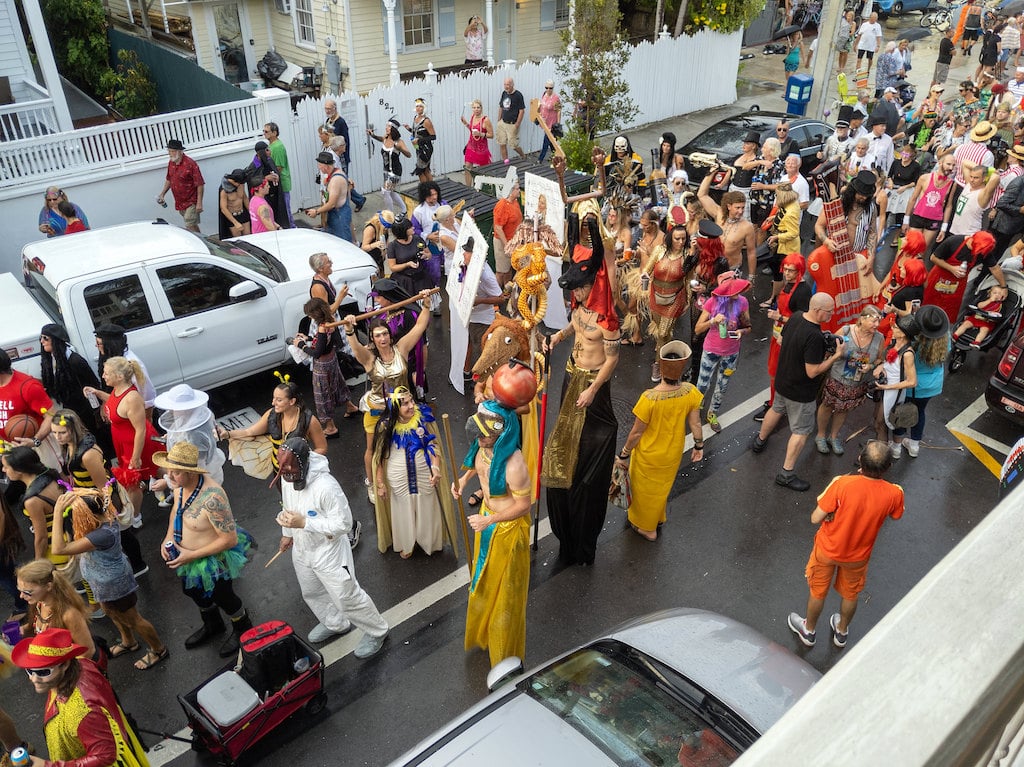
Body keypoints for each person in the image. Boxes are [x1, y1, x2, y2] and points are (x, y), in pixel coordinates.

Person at [541, 215, 619, 566]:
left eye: (578, 287)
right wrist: (556, 338)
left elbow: (612, 361)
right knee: (561, 451)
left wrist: (592, 390)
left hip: (591, 388)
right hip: (571, 379)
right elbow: (575, 327)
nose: (573, 293)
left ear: (592, 285)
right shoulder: (581, 307)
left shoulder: (607, 318)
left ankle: (585, 530)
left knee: (590, 452)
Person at [275, 438, 389, 655]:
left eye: (290, 469)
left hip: (329, 552)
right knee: (312, 591)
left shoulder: (326, 486)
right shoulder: (287, 480)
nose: (287, 476)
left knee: (346, 596)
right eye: (283, 471)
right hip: (302, 548)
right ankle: (335, 622)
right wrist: (287, 533)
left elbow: (344, 523)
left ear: (303, 463)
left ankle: (377, 631)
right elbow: (289, 507)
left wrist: (305, 523)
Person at [786, 440, 904, 649]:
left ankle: (809, 630)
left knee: (818, 592)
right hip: (858, 557)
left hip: (828, 550)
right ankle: (841, 631)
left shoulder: (841, 484)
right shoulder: (895, 493)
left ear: (860, 460)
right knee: (851, 594)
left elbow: (815, 518)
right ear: (888, 468)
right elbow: (896, 516)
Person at [50, 489, 168, 670]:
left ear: (86, 515)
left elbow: (58, 549)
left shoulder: (101, 534)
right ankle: (129, 642)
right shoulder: (102, 516)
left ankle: (158, 649)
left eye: (75, 514)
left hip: (114, 584)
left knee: (133, 619)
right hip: (101, 583)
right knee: (111, 611)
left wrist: (58, 513)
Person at [453, 400, 531, 667]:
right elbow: (479, 467)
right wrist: (463, 481)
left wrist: (490, 521)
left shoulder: (514, 464)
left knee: (505, 598)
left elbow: (523, 505)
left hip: (507, 532)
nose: (480, 437)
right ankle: (485, 634)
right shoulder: (484, 446)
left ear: (501, 433)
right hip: (486, 521)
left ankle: (504, 654)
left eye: (485, 433)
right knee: (483, 583)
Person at [156, 442, 252, 657]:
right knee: (192, 590)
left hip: (213, 558)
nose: (170, 476)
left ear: (191, 472)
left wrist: (191, 554)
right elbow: (175, 512)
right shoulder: (179, 486)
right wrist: (168, 537)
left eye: (176, 472)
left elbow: (229, 539)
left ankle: (243, 627)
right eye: (168, 470)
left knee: (224, 596)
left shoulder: (212, 498)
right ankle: (213, 624)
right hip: (187, 556)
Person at [11, 628, 148, 767]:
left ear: (64, 664)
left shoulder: (84, 711)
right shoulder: (79, 664)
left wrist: (49, 766)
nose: (34, 679)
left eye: (43, 671)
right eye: (29, 670)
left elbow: (106, 755)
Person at [341, 293, 432, 503]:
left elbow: (419, 327)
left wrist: (425, 305)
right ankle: (371, 483)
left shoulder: (401, 348)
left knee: (413, 443)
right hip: (378, 410)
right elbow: (354, 348)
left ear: (390, 335)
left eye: (384, 334)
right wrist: (349, 329)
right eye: (377, 335)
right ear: (372, 338)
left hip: (404, 409)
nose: (382, 339)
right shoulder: (368, 357)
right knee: (374, 449)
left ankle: (416, 476)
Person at [752, 293, 847, 492]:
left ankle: (760, 441)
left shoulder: (796, 317)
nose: (831, 315)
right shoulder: (814, 336)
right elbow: (812, 371)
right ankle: (786, 474)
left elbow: (782, 340)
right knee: (801, 432)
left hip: (783, 380)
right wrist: (836, 356)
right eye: (829, 311)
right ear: (818, 310)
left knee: (775, 410)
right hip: (801, 392)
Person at [616, 341, 703, 541]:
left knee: (645, 492)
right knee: (661, 489)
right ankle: (657, 518)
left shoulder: (649, 398)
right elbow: (696, 424)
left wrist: (624, 453)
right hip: (672, 453)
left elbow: (636, 433)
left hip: (649, 455)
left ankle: (647, 528)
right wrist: (699, 445)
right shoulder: (690, 392)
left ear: (661, 368)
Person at [52, 408, 147, 576]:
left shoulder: (88, 455)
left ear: (73, 429)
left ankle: (138, 565)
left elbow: (103, 487)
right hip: (88, 497)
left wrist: (106, 512)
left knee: (121, 532)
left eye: (62, 432)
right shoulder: (69, 445)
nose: (57, 437)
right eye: (54, 433)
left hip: (104, 498)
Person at [372, 387, 455, 558]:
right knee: (403, 507)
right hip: (399, 477)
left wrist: (436, 468)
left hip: (425, 474)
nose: (411, 406)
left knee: (426, 504)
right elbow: (379, 458)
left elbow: (433, 447)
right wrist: (380, 484)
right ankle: (407, 542)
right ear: (395, 408)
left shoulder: (423, 420)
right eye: (405, 404)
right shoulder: (385, 426)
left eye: (411, 401)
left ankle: (429, 541)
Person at [83, 357, 160, 517]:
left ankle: (135, 516)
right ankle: (179, 484)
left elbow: (140, 430)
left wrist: (136, 457)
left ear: (119, 376)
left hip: (137, 445)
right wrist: (97, 393)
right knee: (157, 469)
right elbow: (113, 401)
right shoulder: (118, 390)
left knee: (132, 484)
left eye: (106, 373)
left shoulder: (132, 399)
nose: (103, 376)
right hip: (125, 444)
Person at [218, 379, 329, 485]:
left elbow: (322, 448)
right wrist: (227, 434)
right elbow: (249, 432)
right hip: (278, 473)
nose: (273, 403)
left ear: (292, 401)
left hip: (300, 473)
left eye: (279, 400)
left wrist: (301, 460)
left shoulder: (309, 421)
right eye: (274, 398)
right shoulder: (271, 415)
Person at [815, 306, 885, 456]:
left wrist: (871, 366)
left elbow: (880, 358)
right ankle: (820, 435)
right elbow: (829, 349)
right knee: (827, 405)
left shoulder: (879, 338)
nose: (877, 325)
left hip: (857, 383)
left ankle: (833, 437)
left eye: (879, 321)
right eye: (874, 321)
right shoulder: (845, 331)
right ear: (862, 319)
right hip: (836, 378)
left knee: (844, 409)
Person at [38, 323, 108, 457]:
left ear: (56, 339)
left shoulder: (75, 361)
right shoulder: (52, 360)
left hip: (86, 411)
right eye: (41, 338)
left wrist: (99, 409)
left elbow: (93, 385)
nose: (42, 342)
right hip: (71, 410)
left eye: (45, 338)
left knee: (95, 443)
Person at [292, 298, 358, 438]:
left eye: (310, 314)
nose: (309, 317)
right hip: (332, 359)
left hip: (322, 366)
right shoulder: (331, 321)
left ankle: (330, 427)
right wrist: (308, 338)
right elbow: (325, 342)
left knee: (322, 395)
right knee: (338, 385)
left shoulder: (322, 327)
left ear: (315, 314)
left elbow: (316, 352)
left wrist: (301, 345)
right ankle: (350, 406)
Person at [16, 559, 101, 668]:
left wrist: (62, 674)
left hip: (72, 672)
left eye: (27, 592)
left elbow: (88, 651)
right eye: (20, 590)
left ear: (48, 586)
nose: (21, 596)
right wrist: (25, 629)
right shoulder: (38, 603)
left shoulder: (69, 614)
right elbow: (39, 627)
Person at [694, 273, 752, 433]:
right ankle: (696, 411)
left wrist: (741, 331)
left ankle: (712, 413)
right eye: (732, 290)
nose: (737, 293)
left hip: (731, 352)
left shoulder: (742, 302)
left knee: (722, 385)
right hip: (711, 350)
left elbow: (748, 326)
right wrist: (712, 320)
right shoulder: (711, 303)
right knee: (702, 384)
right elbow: (698, 329)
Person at [757, 254, 812, 421]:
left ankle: (776, 406)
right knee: (774, 371)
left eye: (791, 271)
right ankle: (775, 402)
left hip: (787, 339)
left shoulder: (802, 292)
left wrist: (778, 317)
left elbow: (803, 320)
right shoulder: (789, 284)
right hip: (778, 336)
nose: (787, 274)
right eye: (785, 269)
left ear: (799, 271)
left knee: (777, 373)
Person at [449, 237, 502, 392]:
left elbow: (500, 298)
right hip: (467, 315)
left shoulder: (486, 274)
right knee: (466, 344)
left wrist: (479, 301)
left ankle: (484, 381)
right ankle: (465, 373)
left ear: (475, 255)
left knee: (482, 350)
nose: (464, 253)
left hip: (481, 320)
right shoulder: (466, 265)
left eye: (467, 251)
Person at [899, 305, 950, 456]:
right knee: (919, 412)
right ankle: (914, 446)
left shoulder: (913, 341)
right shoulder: (945, 339)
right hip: (931, 385)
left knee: (902, 412)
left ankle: (895, 445)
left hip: (910, 384)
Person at [2, 448, 66, 563]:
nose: (3, 470)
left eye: (6, 467)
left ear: (19, 470)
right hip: (70, 537)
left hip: (57, 550)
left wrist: (39, 562)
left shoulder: (32, 501)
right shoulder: (51, 476)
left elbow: (41, 538)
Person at [924, 230, 1001, 323]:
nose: (979, 253)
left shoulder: (983, 249)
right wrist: (952, 268)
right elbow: (933, 258)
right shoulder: (954, 241)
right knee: (928, 305)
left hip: (957, 285)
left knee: (948, 311)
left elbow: (995, 268)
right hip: (938, 278)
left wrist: (1003, 286)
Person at [154, 385, 226, 484]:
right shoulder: (195, 415)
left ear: (184, 408)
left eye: (174, 407)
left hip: (203, 480)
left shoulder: (196, 435)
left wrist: (167, 482)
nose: (171, 410)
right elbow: (180, 430)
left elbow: (192, 470)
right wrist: (172, 437)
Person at [873, 315, 918, 456]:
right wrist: (881, 368)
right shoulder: (894, 343)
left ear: (904, 333)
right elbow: (890, 364)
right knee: (878, 420)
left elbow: (912, 381)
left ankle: (879, 456)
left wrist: (886, 388)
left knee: (881, 422)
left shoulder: (908, 353)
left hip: (892, 392)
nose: (892, 328)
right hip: (885, 388)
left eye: (896, 328)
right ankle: (880, 452)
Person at [697, 174, 758, 278]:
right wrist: (711, 173)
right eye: (737, 207)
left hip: (731, 270)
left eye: (743, 208)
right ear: (729, 206)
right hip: (712, 265)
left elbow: (751, 252)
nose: (741, 211)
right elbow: (702, 195)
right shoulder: (718, 214)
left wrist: (751, 277)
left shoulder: (747, 227)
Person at [903, 153, 956, 253]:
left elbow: (949, 206)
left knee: (922, 251)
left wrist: (943, 229)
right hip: (919, 216)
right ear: (940, 163)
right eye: (948, 164)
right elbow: (913, 198)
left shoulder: (952, 184)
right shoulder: (925, 178)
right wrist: (906, 220)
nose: (951, 168)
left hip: (934, 220)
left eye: (953, 165)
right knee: (910, 248)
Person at [0, 349, 53, 449]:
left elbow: (51, 415)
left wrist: (36, 440)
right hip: (8, 447)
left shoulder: (28, 386)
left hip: (37, 446)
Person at [157, 138, 204, 233]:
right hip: (180, 201)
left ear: (180, 152)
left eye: (173, 151)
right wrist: (162, 194)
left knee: (189, 223)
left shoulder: (190, 164)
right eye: (169, 151)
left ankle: (198, 241)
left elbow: (200, 184)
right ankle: (202, 239)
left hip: (191, 200)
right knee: (192, 225)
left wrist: (199, 203)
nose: (170, 154)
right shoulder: (171, 163)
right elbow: (169, 179)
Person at [367, 118, 411, 215]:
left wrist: (400, 149)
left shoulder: (399, 142)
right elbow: (381, 139)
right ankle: (404, 210)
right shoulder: (386, 137)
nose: (386, 128)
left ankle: (389, 214)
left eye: (389, 126)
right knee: (391, 192)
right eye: (386, 126)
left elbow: (409, 155)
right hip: (386, 170)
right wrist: (372, 135)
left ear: (394, 129)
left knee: (385, 191)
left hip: (395, 171)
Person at [305, 152, 351, 242]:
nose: (318, 167)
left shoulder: (335, 180)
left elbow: (332, 204)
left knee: (343, 244)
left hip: (339, 217)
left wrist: (316, 211)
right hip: (336, 215)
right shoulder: (336, 173)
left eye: (319, 165)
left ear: (326, 166)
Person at [387, 217, 433, 299]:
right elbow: (393, 267)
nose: (413, 228)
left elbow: (429, 254)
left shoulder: (417, 239)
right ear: (403, 231)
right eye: (410, 227)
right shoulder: (392, 246)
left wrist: (425, 256)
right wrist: (407, 264)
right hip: (404, 281)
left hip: (421, 277)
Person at [492, 176, 523, 289]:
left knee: (509, 268)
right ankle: (496, 294)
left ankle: (507, 289)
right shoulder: (502, 206)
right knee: (501, 271)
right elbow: (498, 228)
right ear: (511, 191)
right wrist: (507, 245)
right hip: (503, 243)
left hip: (514, 241)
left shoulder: (515, 202)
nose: (519, 191)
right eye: (517, 189)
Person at [262, 122, 293, 228]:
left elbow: (278, 167)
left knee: (285, 209)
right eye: (263, 131)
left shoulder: (278, 147)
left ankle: (291, 228)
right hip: (277, 183)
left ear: (274, 133)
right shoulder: (271, 145)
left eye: (266, 131)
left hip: (282, 182)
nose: (264, 133)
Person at [461, 99, 493, 184]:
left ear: (481, 108)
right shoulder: (473, 117)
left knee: (483, 170)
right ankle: (468, 187)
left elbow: (491, 135)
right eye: (474, 108)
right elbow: (472, 131)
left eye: (478, 107)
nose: (476, 109)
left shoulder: (485, 120)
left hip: (481, 148)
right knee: (468, 167)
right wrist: (466, 124)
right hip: (471, 146)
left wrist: (480, 134)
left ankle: (483, 187)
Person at [403, 99, 436, 183]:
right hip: (418, 148)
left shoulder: (426, 121)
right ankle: (431, 188)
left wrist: (419, 140)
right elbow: (417, 132)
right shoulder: (415, 118)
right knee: (425, 170)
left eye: (420, 106)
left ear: (424, 108)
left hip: (426, 149)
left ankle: (425, 189)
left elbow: (433, 136)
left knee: (420, 171)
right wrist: (409, 129)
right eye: (417, 106)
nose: (418, 108)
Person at [495, 78, 526, 163]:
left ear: (512, 85)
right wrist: (499, 119)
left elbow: (522, 110)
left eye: (508, 85)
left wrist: (517, 124)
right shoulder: (504, 93)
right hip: (502, 123)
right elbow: (501, 106)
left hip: (512, 124)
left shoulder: (518, 95)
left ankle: (523, 155)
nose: (506, 87)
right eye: (505, 84)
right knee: (502, 143)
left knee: (513, 145)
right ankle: (506, 162)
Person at [218, 168, 250, 238]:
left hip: (243, 213)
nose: (239, 184)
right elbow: (223, 208)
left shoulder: (241, 185)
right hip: (232, 216)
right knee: (238, 239)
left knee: (248, 235)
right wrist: (235, 222)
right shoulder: (224, 191)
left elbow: (244, 199)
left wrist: (251, 212)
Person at [360, 209, 395, 274]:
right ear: (380, 222)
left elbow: (386, 239)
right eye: (387, 227)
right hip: (371, 258)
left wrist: (386, 249)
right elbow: (363, 247)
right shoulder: (370, 229)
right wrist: (374, 244)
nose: (387, 229)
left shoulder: (384, 228)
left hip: (380, 257)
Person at [536, 80, 561, 164]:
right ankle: (557, 158)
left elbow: (559, 110)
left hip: (552, 124)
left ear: (553, 88)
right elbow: (542, 107)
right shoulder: (544, 95)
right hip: (545, 122)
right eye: (546, 88)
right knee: (552, 144)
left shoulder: (556, 98)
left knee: (546, 142)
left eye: (550, 88)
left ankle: (540, 159)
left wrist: (558, 123)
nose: (548, 90)